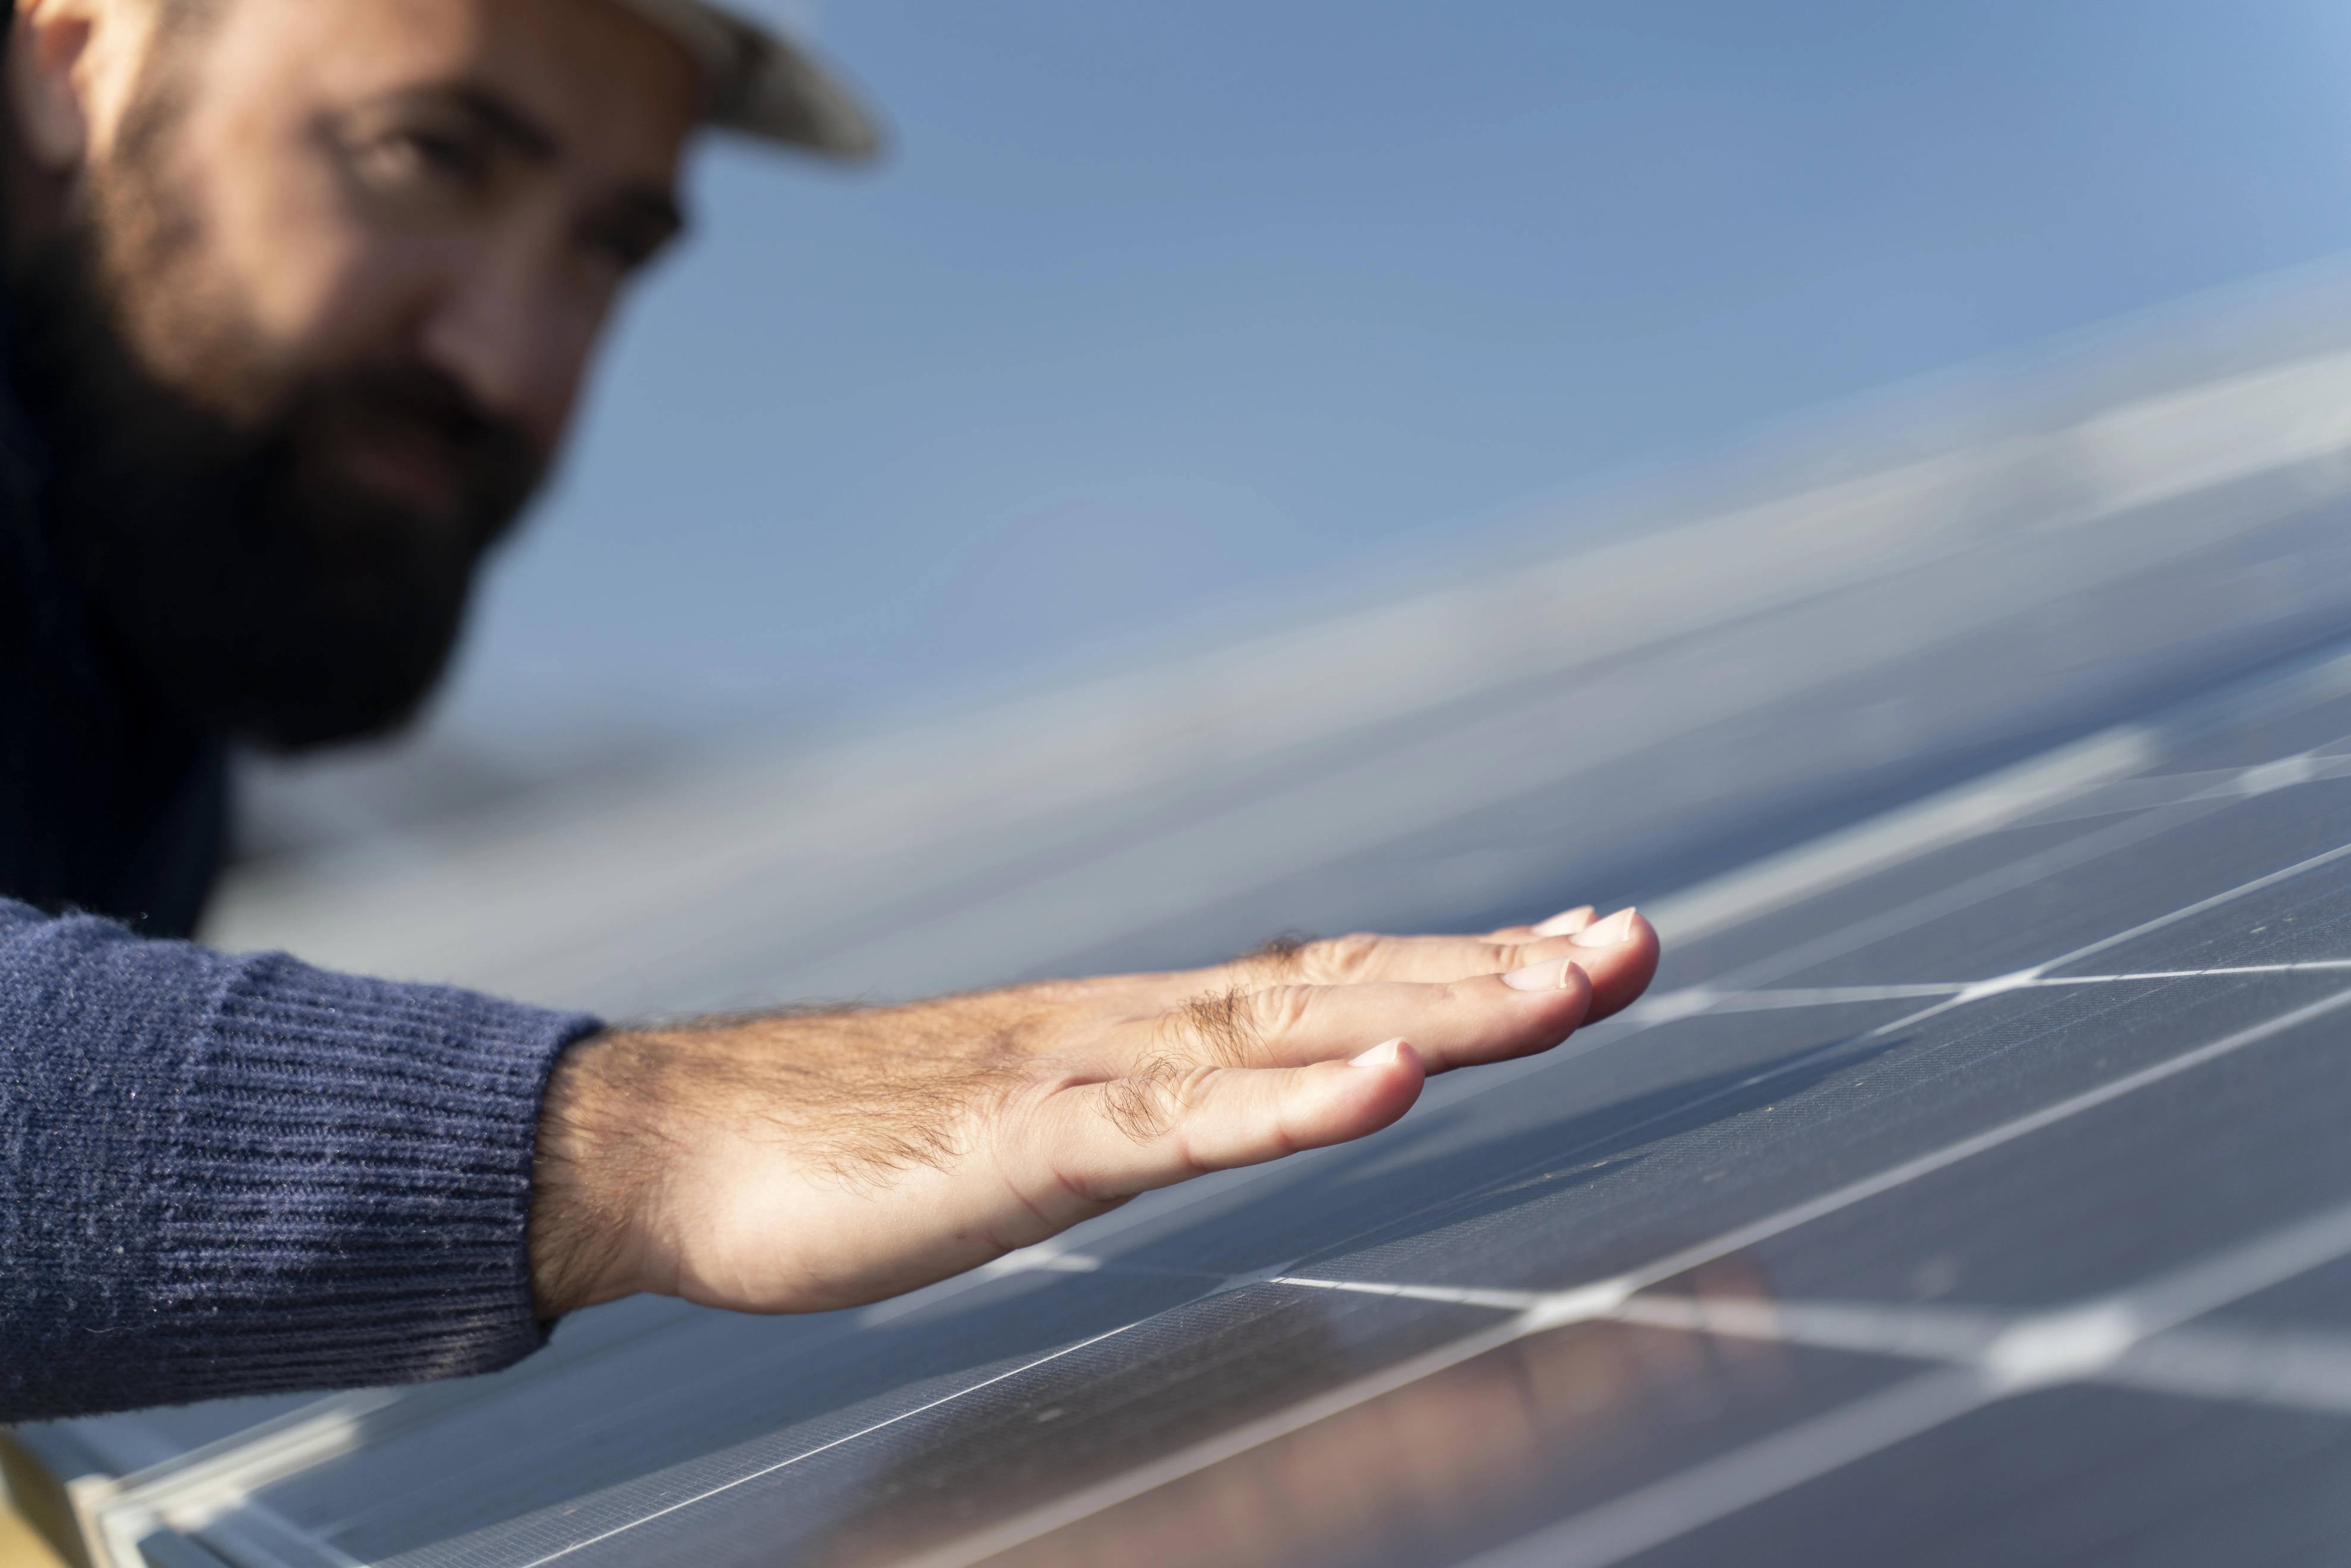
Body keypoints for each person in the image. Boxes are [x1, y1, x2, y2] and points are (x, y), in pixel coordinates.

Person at [0, 0, 1660, 1423]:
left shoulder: (142, 633)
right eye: (426, 153)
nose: (509, 358)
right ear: (67, 55)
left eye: (604, 249)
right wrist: (625, 1136)